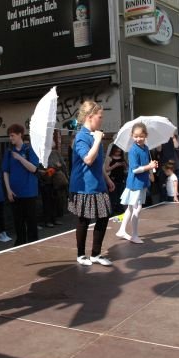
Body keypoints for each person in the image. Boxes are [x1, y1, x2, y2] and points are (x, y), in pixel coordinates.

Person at [68, 100, 115, 266]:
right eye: (99, 116)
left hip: (98, 184)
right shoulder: (81, 137)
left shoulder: (95, 135)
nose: (101, 120)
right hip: (83, 186)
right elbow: (88, 159)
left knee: (103, 216)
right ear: (90, 117)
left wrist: (107, 178)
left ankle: (96, 254)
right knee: (84, 220)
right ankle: (81, 255)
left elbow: (97, 162)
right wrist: (96, 141)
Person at [115, 122, 158, 244]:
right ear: (132, 136)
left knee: (130, 208)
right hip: (135, 183)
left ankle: (122, 230)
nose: (138, 139)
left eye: (141, 136)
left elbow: (145, 165)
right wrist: (148, 166)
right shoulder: (133, 150)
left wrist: (151, 167)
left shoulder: (146, 148)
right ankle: (134, 235)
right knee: (137, 208)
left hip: (141, 182)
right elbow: (134, 169)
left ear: (146, 135)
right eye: (136, 136)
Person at [2, 124, 40, 246]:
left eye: (12, 135)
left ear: (20, 135)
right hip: (15, 193)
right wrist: (8, 190)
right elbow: (5, 172)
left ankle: (33, 244)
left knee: (31, 222)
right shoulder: (8, 152)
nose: (10, 138)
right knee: (18, 222)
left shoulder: (30, 150)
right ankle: (21, 243)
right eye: (9, 135)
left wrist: (20, 158)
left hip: (29, 193)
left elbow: (34, 169)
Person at [104, 144, 127, 215]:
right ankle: (112, 211)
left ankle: (120, 210)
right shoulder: (109, 158)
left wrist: (124, 164)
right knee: (113, 196)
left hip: (121, 179)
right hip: (113, 179)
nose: (118, 153)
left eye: (119, 152)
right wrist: (115, 165)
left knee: (121, 195)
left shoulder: (122, 158)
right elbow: (106, 169)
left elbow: (126, 168)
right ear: (113, 151)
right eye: (116, 151)